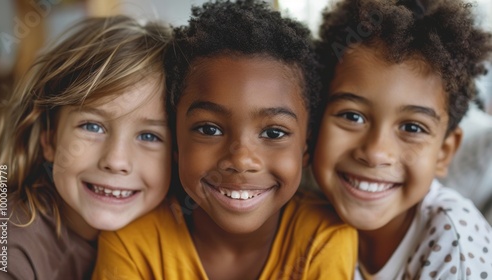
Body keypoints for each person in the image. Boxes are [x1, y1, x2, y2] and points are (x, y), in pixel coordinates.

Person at [92, 1, 357, 279]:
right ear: (176, 140)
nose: (241, 160)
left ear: (306, 146)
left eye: (274, 133)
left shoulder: (324, 239)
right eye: (209, 130)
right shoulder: (132, 245)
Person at [312, 0, 492, 279]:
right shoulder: (301, 208)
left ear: (444, 152)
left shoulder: (455, 245)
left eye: (412, 127)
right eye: (352, 116)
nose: (375, 153)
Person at [0, 16, 172, 279]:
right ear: (49, 139)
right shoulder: (7, 248)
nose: (116, 160)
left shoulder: (176, 233)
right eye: (92, 127)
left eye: (149, 136)